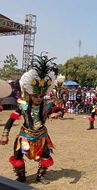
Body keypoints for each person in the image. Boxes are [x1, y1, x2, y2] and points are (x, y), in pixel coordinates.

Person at [0, 55, 62, 184]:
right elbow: (11, 120)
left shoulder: (47, 105)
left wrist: (58, 113)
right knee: (17, 155)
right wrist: (5, 135)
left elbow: (60, 109)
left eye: (41, 95)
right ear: (29, 94)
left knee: (45, 155)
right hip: (24, 136)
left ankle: (40, 176)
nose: (38, 98)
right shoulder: (23, 106)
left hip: (42, 136)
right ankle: (21, 177)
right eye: (35, 96)